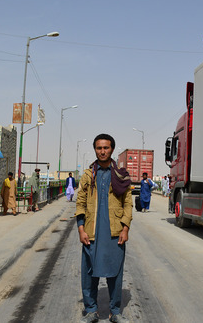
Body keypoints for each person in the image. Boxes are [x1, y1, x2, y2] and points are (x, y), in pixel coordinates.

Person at [75, 134, 132, 323]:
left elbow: (128, 204)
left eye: (106, 148)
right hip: (91, 232)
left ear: (112, 149)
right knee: (89, 271)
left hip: (114, 232)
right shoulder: (87, 175)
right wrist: (81, 229)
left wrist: (125, 228)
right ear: (95, 150)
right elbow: (80, 203)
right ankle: (91, 310)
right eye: (99, 148)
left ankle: (115, 311)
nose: (102, 151)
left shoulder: (121, 176)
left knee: (115, 272)